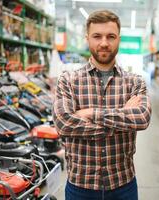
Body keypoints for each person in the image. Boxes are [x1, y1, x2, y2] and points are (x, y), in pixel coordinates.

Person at [52, 10, 152, 200]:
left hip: (124, 185)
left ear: (119, 39)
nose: (104, 43)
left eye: (110, 36)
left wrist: (89, 113)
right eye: (97, 36)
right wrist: (122, 116)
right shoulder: (68, 80)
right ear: (87, 38)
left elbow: (142, 118)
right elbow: (63, 124)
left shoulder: (135, 82)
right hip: (80, 187)